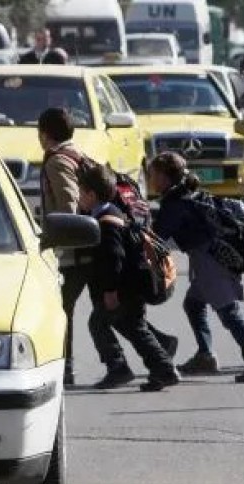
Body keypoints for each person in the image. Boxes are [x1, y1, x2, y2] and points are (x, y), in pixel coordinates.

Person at [37, 108, 177, 387]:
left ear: (43, 134)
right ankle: (159, 349)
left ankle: (71, 368)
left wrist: (58, 235)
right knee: (111, 312)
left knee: (69, 309)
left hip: (76, 251)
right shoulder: (79, 155)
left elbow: (68, 205)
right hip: (92, 249)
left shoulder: (57, 161)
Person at [149, 151, 244, 383]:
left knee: (228, 311)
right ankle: (205, 356)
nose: (151, 180)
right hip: (208, 259)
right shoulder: (187, 194)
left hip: (211, 262)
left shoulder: (175, 203)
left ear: (165, 177)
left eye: (153, 175)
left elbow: (158, 236)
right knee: (193, 304)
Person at [78, 165, 180, 391]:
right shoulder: (112, 213)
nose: (79, 198)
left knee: (101, 324)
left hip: (125, 288)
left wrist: (111, 291)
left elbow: (114, 258)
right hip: (131, 286)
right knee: (133, 328)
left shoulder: (107, 221)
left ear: (92, 195)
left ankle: (121, 368)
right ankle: (161, 369)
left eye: (81, 193)